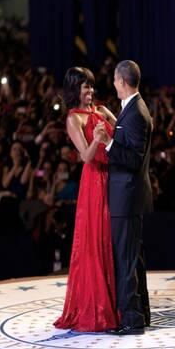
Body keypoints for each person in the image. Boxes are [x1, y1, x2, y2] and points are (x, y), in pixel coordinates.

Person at [54, 67, 119, 332]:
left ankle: (115, 303)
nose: (90, 91)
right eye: (85, 87)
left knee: (109, 239)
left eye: (91, 86)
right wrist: (98, 139)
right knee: (94, 239)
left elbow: (122, 128)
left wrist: (110, 124)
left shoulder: (100, 111)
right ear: (74, 90)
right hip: (93, 181)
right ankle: (95, 307)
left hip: (112, 178)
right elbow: (86, 156)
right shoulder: (73, 119)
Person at [94, 60, 153, 335]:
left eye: (116, 80)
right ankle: (141, 314)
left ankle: (131, 320)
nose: (114, 84)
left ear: (122, 81)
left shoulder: (136, 113)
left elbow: (132, 158)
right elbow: (129, 142)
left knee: (126, 260)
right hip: (129, 197)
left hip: (126, 198)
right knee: (134, 258)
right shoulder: (133, 109)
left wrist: (107, 142)